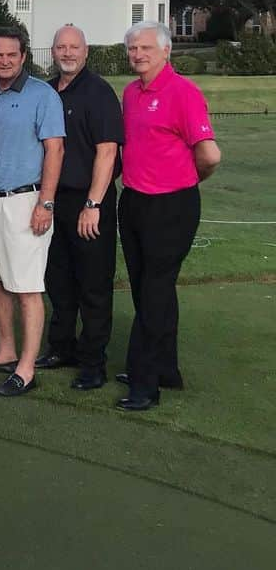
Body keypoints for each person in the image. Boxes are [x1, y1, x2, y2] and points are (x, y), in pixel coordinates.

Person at [117, 21, 220, 412]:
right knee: (147, 287)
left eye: (145, 48)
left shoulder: (183, 92)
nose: (138, 55)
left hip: (172, 206)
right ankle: (165, 369)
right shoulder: (131, 92)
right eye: (132, 49)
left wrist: (189, 179)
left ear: (165, 51)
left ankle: (145, 383)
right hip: (135, 202)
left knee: (155, 290)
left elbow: (210, 155)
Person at [0, 26, 65, 397]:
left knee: (26, 287)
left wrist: (46, 202)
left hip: (26, 201)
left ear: (23, 56)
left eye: (11, 54)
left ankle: (26, 368)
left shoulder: (42, 95)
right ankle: (6, 352)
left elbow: (55, 151)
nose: (4, 61)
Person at [37, 25, 124, 391]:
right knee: (58, 280)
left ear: (86, 52)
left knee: (93, 285)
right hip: (55, 199)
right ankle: (62, 348)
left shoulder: (98, 92)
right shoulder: (48, 91)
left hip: (90, 200)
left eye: (74, 47)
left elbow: (108, 151)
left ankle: (93, 363)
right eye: (61, 47)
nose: (67, 53)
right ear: (53, 51)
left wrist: (94, 203)